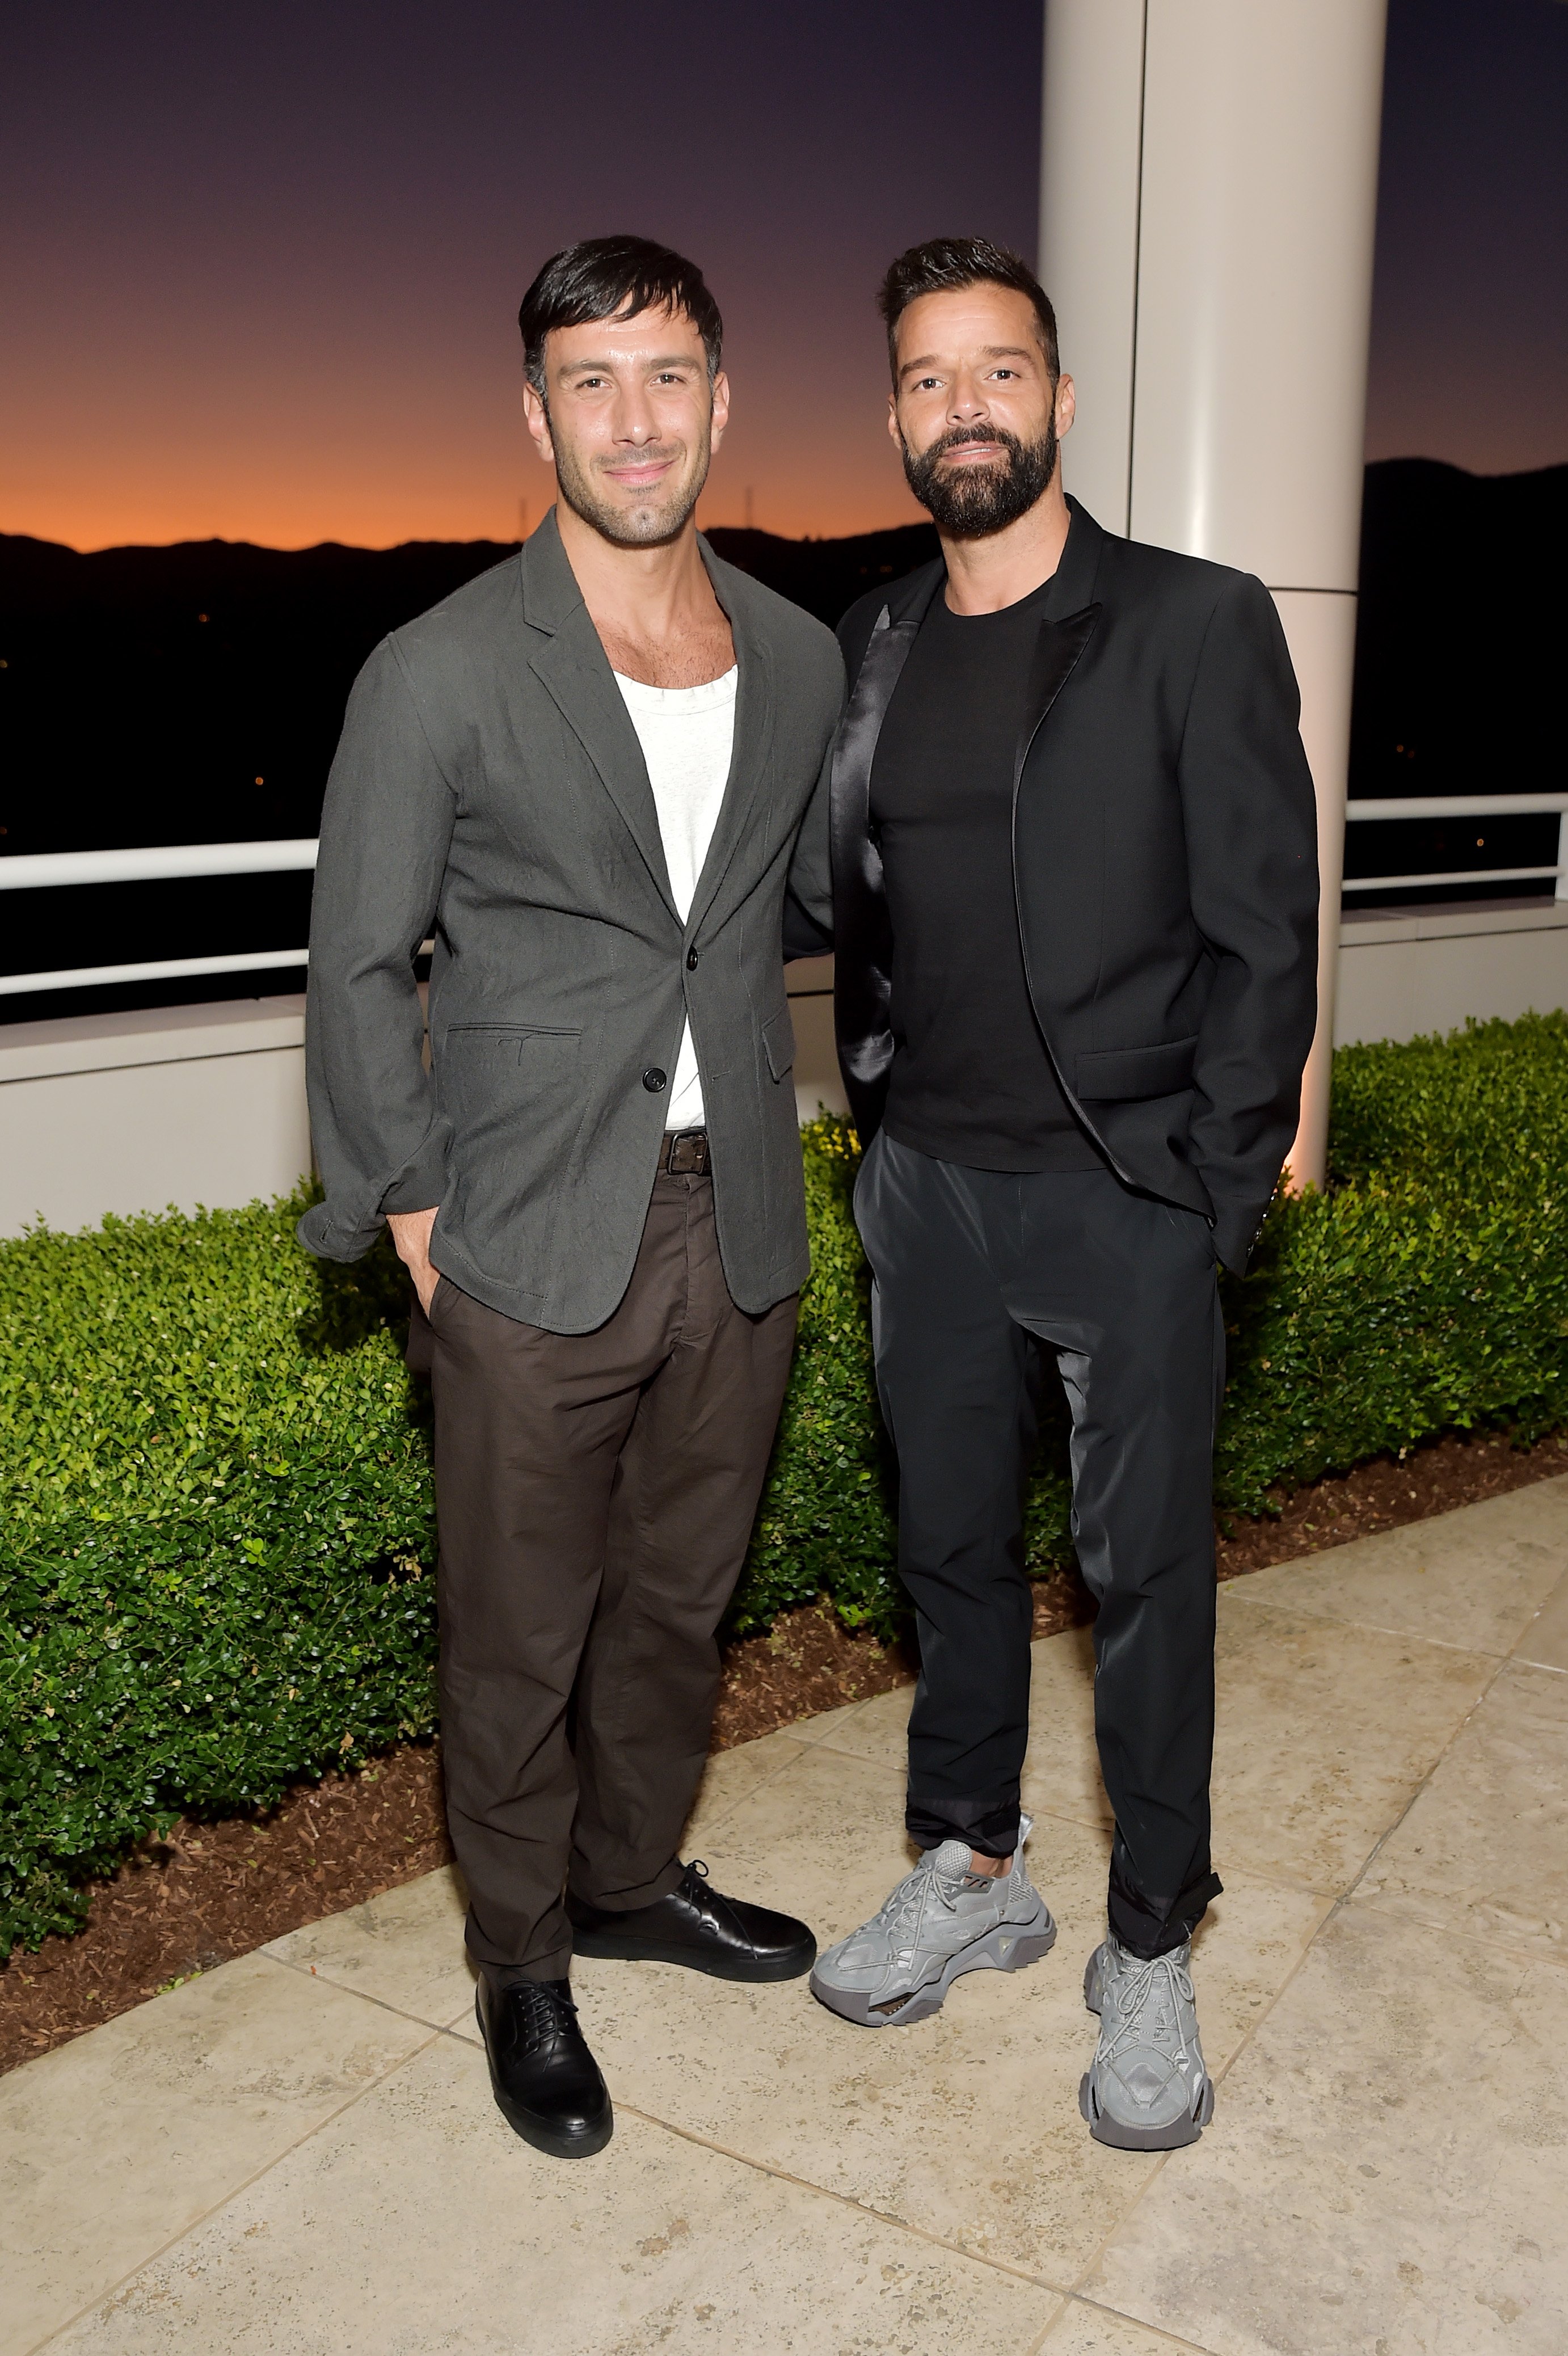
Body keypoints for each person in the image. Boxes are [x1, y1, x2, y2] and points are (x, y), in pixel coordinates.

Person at [300, 236, 844, 2160]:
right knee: (518, 1631)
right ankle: (520, 1954)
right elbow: (358, 964)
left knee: (676, 1607)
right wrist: (415, 1217)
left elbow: (825, 909)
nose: (635, 418)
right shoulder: (438, 665)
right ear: (532, 415)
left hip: (743, 1225)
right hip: (528, 1237)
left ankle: (628, 1878)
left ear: (723, 399)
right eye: (591, 382)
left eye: (669, 375)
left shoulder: (794, 653)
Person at [789, 237, 1318, 2150]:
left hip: (1123, 1190)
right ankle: (970, 1858)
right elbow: (809, 896)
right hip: (923, 1184)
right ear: (897, 418)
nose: (965, 409)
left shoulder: (1190, 619)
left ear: (1063, 400)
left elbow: (1266, 922)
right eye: (928, 380)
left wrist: (1214, 1181)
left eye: (997, 372)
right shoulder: (867, 644)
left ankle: (1151, 1932)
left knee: (1145, 1581)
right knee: (948, 1554)